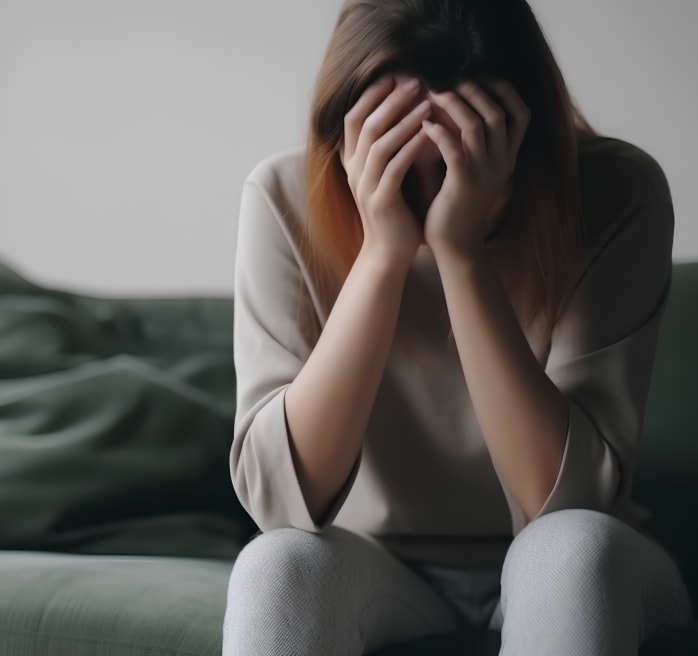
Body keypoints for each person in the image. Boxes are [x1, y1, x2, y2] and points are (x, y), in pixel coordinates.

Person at [223, 0, 694, 654]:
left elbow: (565, 501)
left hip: (579, 553)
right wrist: (382, 253)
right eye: (391, 162)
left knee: (571, 555)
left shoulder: (617, 193)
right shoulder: (283, 198)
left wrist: (461, 250)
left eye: (460, 163)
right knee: (276, 568)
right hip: (378, 564)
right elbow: (278, 503)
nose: (426, 199)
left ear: (527, 143)